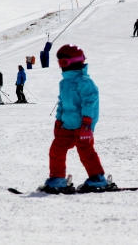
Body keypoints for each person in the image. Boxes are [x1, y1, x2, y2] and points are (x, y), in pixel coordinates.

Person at [42, 44, 108, 193]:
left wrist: (87, 123)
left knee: (85, 151)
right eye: (60, 63)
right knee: (56, 149)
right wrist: (59, 121)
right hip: (67, 125)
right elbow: (62, 104)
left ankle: (97, 178)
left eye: (64, 62)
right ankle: (57, 178)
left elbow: (90, 103)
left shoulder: (85, 82)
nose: (61, 67)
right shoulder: (64, 83)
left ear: (76, 61)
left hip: (82, 126)